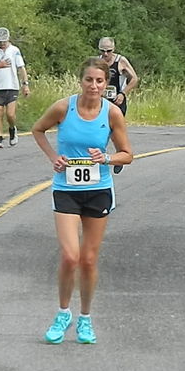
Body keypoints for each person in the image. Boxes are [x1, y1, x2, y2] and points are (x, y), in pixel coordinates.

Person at [32, 57, 133, 344]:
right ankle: (63, 313)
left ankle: (85, 319)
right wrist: (54, 158)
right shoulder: (64, 107)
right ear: (81, 81)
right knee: (69, 256)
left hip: (98, 189)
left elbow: (127, 153)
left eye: (100, 81)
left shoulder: (112, 114)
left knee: (88, 260)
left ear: (106, 84)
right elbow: (38, 129)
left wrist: (107, 157)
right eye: (89, 79)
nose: (94, 85)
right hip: (66, 189)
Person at [98, 37, 139, 173]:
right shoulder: (97, 62)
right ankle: (97, 156)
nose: (105, 54)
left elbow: (134, 79)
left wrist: (123, 93)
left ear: (113, 49)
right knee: (100, 128)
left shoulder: (120, 61)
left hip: (117, 101)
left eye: (108, 51)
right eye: (102, 51)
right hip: (102, 101)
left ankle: (120, 156)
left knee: (116, 130)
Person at [0, 27, 30, 148]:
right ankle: (0, 137)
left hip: (12, 85)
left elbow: (21, 68)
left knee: (10, 114)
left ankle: (12, 129)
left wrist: (25, 84)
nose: (1, 44)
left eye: (3, 41)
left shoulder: (14, 50)